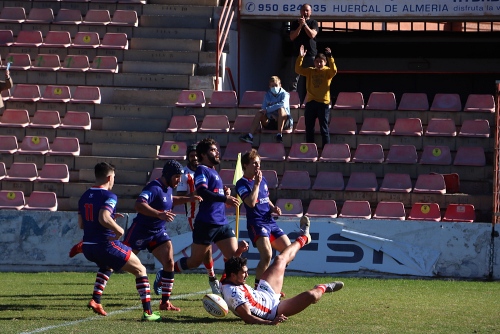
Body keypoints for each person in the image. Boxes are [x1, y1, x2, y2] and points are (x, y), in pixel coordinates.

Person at [77, 162, 161, 322]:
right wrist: (118, 229)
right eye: (114, 177)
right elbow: (103, 217)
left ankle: (96, 300)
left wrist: (110, 219)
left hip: (88, 247)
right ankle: (148, 313)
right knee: (141, 270)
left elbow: (82, 224)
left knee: (107, 265)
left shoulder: (84, 196)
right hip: (105, 244)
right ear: (109, 177)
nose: (114, 180)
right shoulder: (109, 196)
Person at [220, 217, 344, 325]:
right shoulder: (233, 294)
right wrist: (271, 322)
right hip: (274, 309)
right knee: (311, 295)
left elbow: (231, 262)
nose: (247, 275)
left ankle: (304, 237)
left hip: (264, 291)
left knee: (280, 259)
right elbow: (248, 318)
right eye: (244, 273)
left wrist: (239, 251)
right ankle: (323, 287)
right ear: (233, 275)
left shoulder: (226, 278)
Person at [123, 160, 202, 312]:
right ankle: (96, 296)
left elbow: (170, 200)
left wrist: (188, 198)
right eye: (177, 177)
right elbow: (139, 205)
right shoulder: (154, 187)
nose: (179, 180)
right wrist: (159, 214)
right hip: (141, 230)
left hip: (157, 232)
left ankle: (165, 302)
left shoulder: (167, 188)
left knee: (169, 262)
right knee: (118, 261)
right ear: (168, 175)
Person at [174, 137, 248, 278]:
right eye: (213, 150)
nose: (217, 153)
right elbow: (202, 191)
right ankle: (167, 272)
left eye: (216, 150)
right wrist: (224, 198)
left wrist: (224, 194)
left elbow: (214, 195)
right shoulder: (202, 170)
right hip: (206, 223)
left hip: (222, 222)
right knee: (194, 262)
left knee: (234, 260)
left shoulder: (213, 171)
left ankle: (231, 291)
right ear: (203, 154)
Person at [153, 144, 221, 295]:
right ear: (188, 157)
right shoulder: (184, 174)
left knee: (206, 250)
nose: (195, 159)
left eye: (196, 155)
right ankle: (212, 279)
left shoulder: (209, 170)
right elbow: (183, 196)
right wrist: (203, 191)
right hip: (195, 215)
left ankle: (213, 278)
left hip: (210, 215)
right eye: (192, 156)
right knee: (205, 251)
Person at [234, 149, 291, 291]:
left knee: (288, 250)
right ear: (245, 165)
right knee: (267, 255)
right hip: (256, 223)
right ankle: (259, 289)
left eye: (258, 163)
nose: (257, 167)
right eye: (254, 164)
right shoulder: (242, 184)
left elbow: (265, 199)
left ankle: (270, 281)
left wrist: (273, 208)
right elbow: (251, 203)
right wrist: (256, 184)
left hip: (269, 221)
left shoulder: (262, 179)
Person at [295, 45, 337, 148]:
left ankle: (326, 150)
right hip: (311, 102)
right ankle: (310, 149)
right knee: (309, 128)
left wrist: (330, 57)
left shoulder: (327, 72)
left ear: (324, 62)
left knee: (324, 128)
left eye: (321, 61)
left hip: (323, 103)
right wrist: (301, 57)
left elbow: (334, 70)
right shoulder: (310, 71)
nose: (319, 63)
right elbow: (298, 70)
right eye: (317, 61)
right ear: (314, 62)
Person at [239, 76, 294, 144]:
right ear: (269, 86)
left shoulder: (285, 94)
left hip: (284, 122)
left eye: (276, 85)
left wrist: (269, 110)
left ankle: (279, 135)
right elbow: (264, 108)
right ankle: (250, 136)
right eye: (272, 86)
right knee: (260, 113)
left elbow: (282, 104)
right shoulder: (267, 95)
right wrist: (271, 115)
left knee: (281, 109)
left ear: (280, 85)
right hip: (271, 120)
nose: (274, 88)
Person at [288, 3, 318, 105]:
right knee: (294, 79)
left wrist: (305, 24)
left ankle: (315, 99)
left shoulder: (314, 22)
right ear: (300, 11)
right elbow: (292, 37)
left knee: (314, 77)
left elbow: (312, 35)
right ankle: (292, 101)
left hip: (310, 55)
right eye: (303, 10)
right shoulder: (295, 23)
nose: (305, 12)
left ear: (310, 12)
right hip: (297, 55)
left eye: (307, 10)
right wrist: (300, 25)